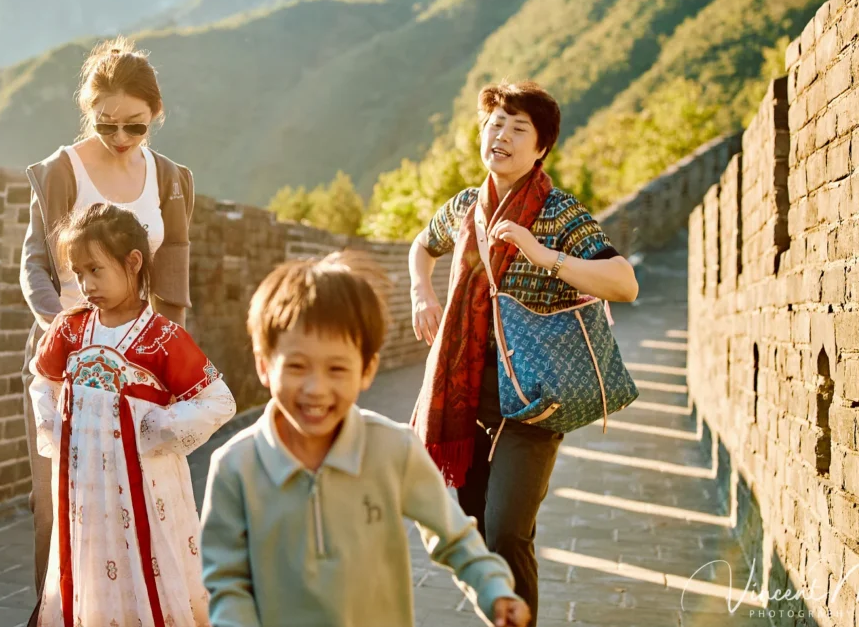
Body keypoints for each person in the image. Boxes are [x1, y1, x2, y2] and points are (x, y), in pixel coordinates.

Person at [409, 81, 639, 627]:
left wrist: (543, 255)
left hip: (535, 397)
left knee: (509, 528)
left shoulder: (559, 213)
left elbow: (623, 282)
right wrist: (423, 292)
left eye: (518, 129)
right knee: (472, 530)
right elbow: (423, 245)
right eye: (495, 124)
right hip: (463, 396)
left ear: (540, 149)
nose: (502, 136)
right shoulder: (466, 205)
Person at [200, 254, 530, 627]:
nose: (315, 388)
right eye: (296, 366)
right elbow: (226, 582)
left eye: (337, 369)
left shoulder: (395, 451)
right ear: (264, 364)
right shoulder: (234, 467)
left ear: (367, 369)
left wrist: (495, 591)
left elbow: (455, 537)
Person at [19, 37, 195, 624]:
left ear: (157, 114)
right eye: (106, 125)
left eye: (136, 127)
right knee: (60, 500)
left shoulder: (168, 180)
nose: (120, 139)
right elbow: (34, 267)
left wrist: (168, 361)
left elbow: (173, 283)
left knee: (141, 495)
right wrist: (68, 330)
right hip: (68, 357)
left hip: (139, 362)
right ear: (88, 113)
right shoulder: (62, 172)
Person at [30, 203, 235, 626]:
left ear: (133, 262)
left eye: (96, 270)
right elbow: (43, 381)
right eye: (78, 273)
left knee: (144, 561)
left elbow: (219, 401)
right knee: (86, 559)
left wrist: (154, 427)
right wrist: (55, 421)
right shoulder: (69, 330)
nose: (86, 285)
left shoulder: (162, 339)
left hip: (143, 488)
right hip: (84, 486)